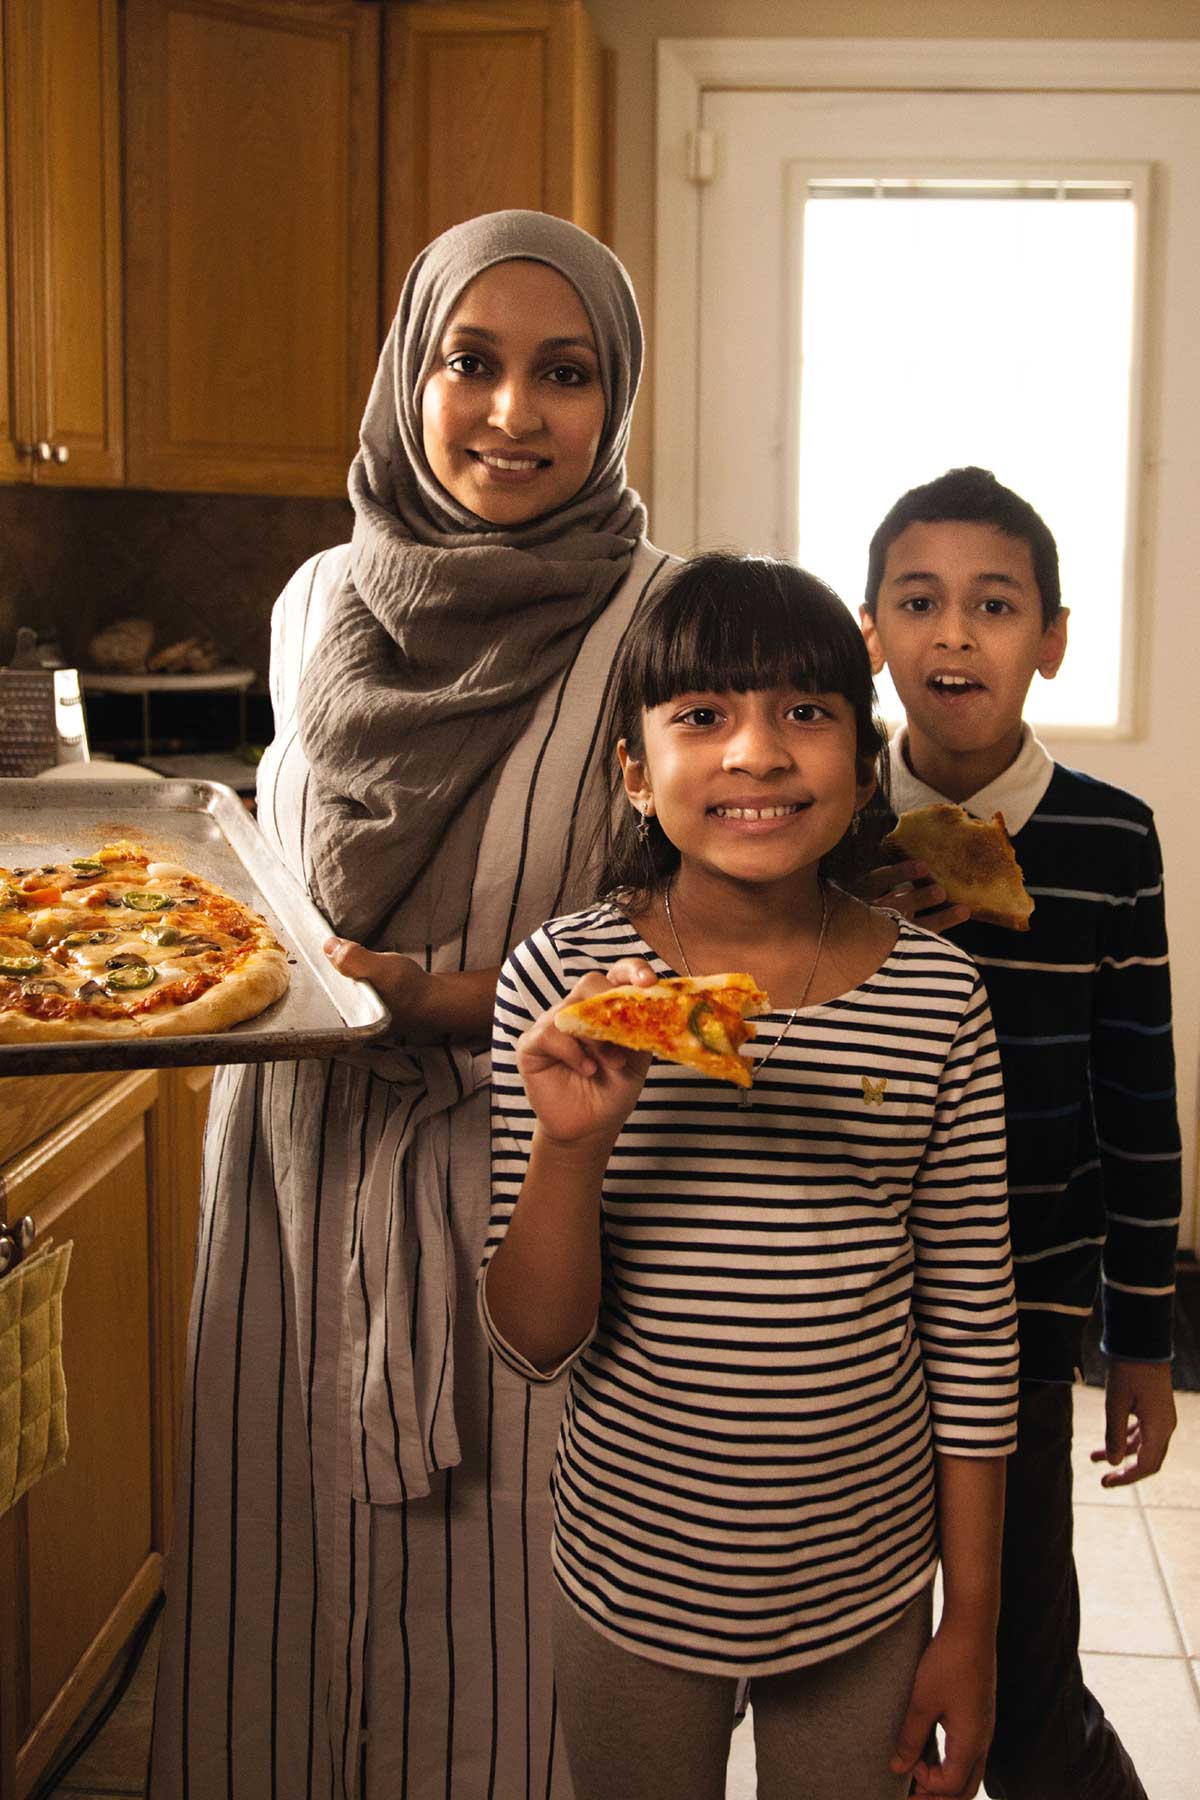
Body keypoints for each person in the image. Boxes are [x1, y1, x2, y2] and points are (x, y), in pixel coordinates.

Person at [149, 210, 673, 1800]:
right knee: (271, 1609)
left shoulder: (658, 620)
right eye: (471, 362)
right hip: (292, 1179)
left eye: (563, 374)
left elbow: (687, 941)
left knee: (497, 1651)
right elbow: (276, 874)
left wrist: (440, 1002)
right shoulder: (317, 598)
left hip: (521, 1183)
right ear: (409, 374)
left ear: (614, 401)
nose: (512, 412)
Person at [477, 552, 1020, 1800]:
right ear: (634, 771)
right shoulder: (566, 990)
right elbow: (533, 1342)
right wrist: (573, 1146)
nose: (758, 755)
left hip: (868, 1579)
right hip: (630, 1568)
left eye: (806, 714)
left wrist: (971, 1621)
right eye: (703, 717)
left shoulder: (939, 1000)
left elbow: (976, 1332)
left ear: (865, 763)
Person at [858, 466, 1182, 1800]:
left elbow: (1138, 1101)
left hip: (1027, 1315)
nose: (953, 634)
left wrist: (1144, 1338)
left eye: (994, 605)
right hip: (852, 1314)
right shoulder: (819, 825)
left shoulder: (1113, 840)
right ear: (868, 630)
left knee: (1021, 1662)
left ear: (1051, 637)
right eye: (917, 602)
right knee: (869, 1670)